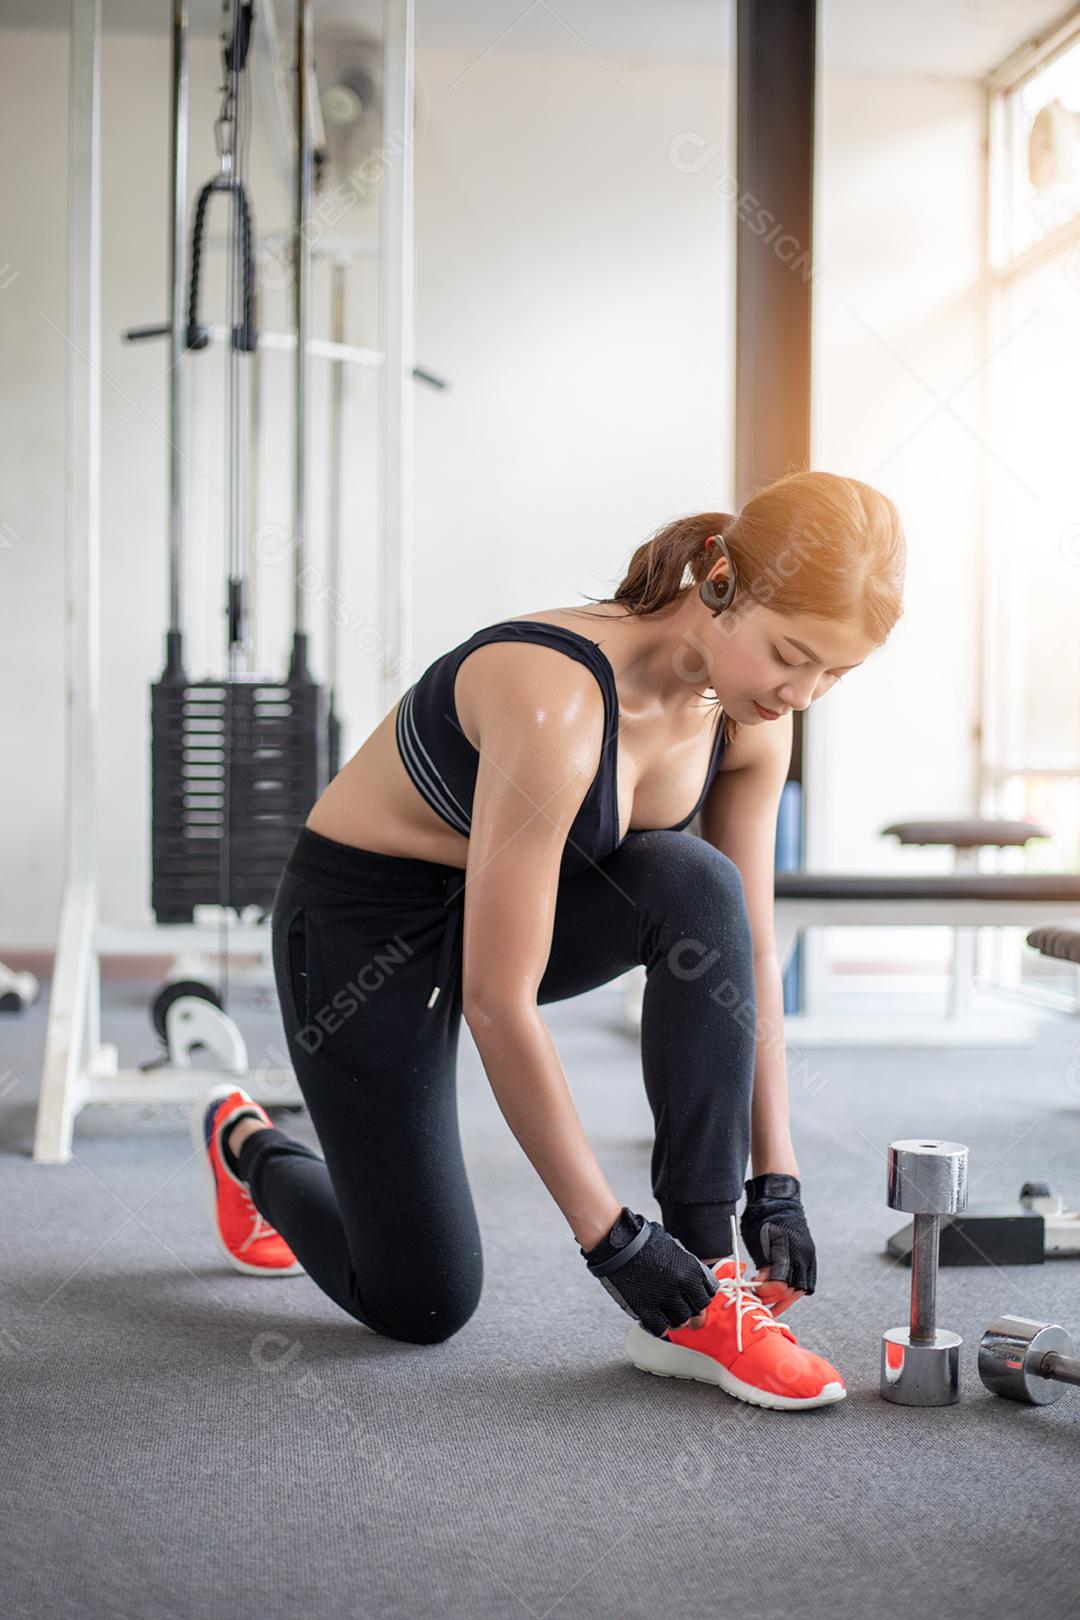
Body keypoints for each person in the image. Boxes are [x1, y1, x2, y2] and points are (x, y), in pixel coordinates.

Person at [191, 468, 905, 1410]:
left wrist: (776, 1176)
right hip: (364, 935)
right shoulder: (556, 697)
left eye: (835, 673)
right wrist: (613, 1242)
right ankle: (248, 1144)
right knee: (421, 1301)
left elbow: (749, 953)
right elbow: (499, 998)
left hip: (520, 907)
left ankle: (706, 1283)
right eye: (791, 654)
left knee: (698, 883)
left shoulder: (747, 725)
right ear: (722, 581)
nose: (803, 693)